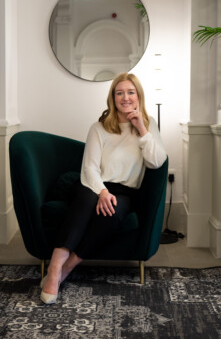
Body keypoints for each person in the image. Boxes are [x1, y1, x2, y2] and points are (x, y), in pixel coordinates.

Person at [40, 72, 166, 304]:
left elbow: (156, 161)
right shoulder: (99, 128)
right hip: (92, 185)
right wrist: (102, 192)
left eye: (130, 92)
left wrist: (141, 128)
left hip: (125, 192)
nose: (125, 98)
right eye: (120, 93)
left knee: (113, 214)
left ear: (138, 97)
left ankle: (68, 267)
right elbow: (89, 168)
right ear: (113, 98)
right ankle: (55, 266)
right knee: (88, 201)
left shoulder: (148, 126)